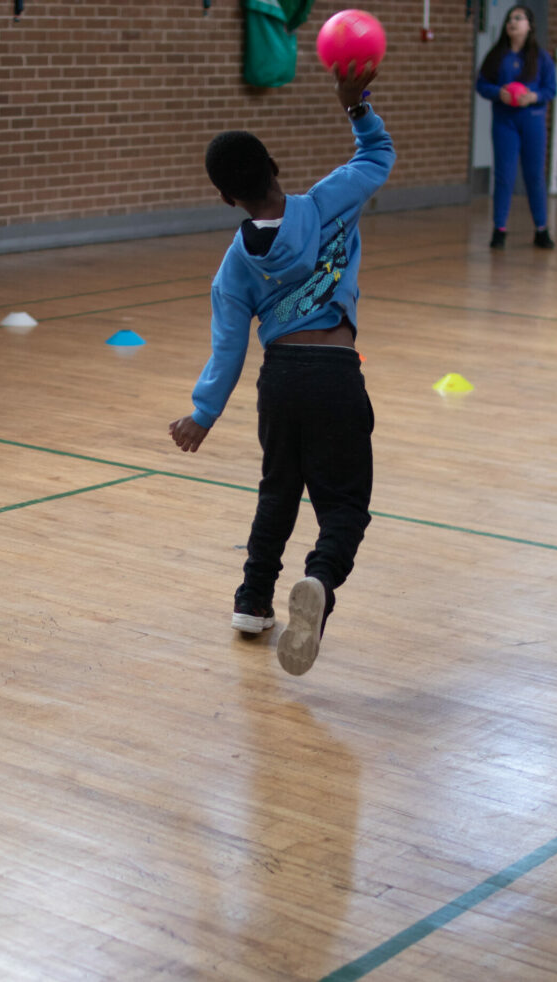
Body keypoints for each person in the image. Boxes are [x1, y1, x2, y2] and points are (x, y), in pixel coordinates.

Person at [169, 65, 395, 677]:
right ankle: (319, 581)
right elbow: (378, 155)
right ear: (274, 165)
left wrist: (202, 414)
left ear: (226, 198)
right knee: (344, 503)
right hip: (336, 373)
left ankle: (251, 602)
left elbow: (227, 349)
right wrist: (355, 106)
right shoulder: (329, 201)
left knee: (278, 490)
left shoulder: (233, 267)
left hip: (281, 379)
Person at [475, 5, 557, 250]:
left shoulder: (541, 57)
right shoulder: (496, 55)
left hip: (532, 120)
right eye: (510, 18)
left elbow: (551, 89)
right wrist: (497, 93)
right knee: (504, 175)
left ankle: (541, 229)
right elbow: (482, 85)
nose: (512, 22)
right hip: (505, 122)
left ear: (529, 25)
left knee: (535, 175)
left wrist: (533, 97)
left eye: (518, 18)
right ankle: (499, 228)